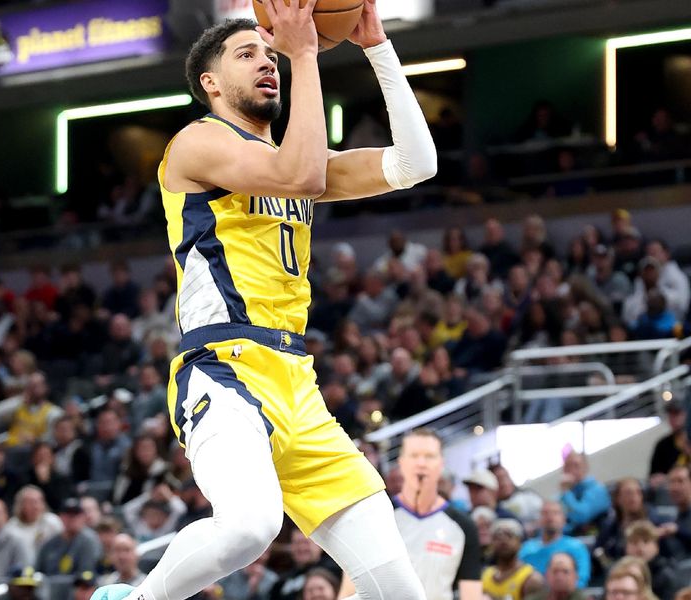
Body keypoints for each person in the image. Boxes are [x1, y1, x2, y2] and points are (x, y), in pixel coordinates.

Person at [93, 1, 437, 600]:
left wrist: (377, 47)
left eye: (269, 53)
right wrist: (304, 52)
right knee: (253, 525)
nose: (267, 63)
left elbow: (416, 164)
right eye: (246, 54)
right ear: (210, 83)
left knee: (399, 589)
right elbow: (300, 176)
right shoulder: (195, 144)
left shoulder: (292, 161)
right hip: (223, 372)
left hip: (297, 386)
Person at [343, 429, 481, 600]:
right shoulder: (376, 517)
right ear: (401, 462)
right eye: (414, 455)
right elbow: (349, 589)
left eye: (429, 456)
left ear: (441, 464)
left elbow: (471, 594)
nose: (421, 464)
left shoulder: (463, 526)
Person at [519, 501, 591, 588]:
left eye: (555, 513)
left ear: (564, 520)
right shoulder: (526, 548)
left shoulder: (576, 547)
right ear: (538, 520)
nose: (550, 517)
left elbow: (581, 580)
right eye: (545, 513)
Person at [482, 519, 543, 600]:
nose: (503, 540)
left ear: (520, 542)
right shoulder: (484, 575)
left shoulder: (531, 579)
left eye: (509, 535)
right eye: (498, 536)